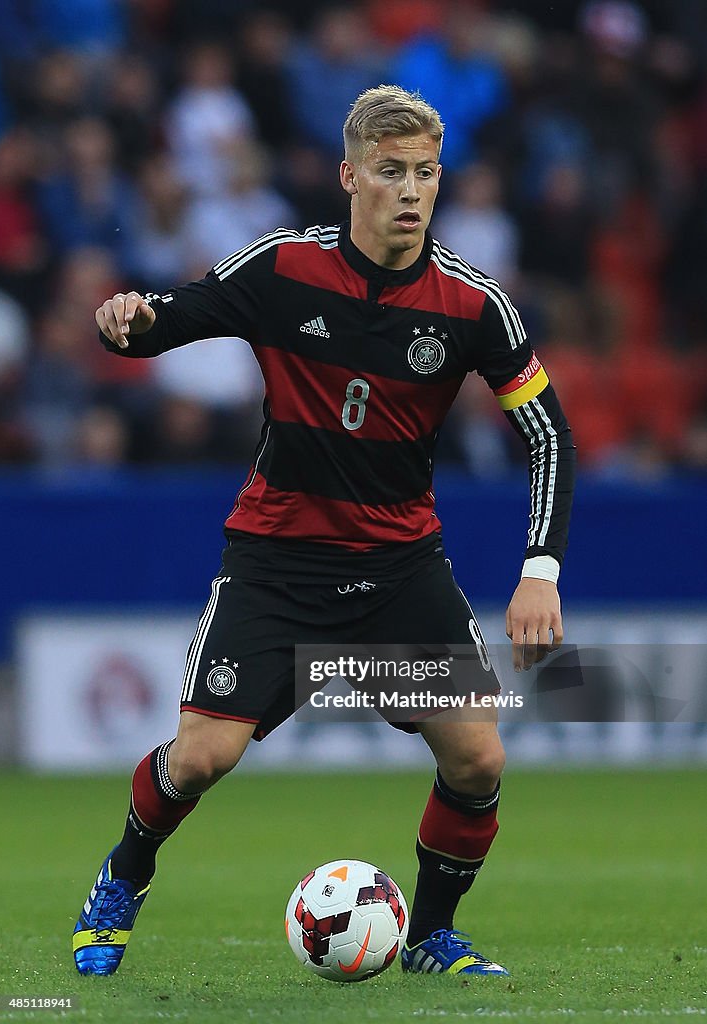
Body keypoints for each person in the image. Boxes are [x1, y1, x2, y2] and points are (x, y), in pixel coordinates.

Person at [73, 85, 576, 978]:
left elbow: (547, 435)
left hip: (396, 568)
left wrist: (540, 567)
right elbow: (168, 319)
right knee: (199, 759)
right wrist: (129, 318)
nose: (412, 190)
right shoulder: (283, 268)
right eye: (391, 172)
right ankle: (123, 874)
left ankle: (429, 936)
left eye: (425, 172)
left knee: (476, 755)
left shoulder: (471, 303)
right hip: (276, 563)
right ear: (350, 176)